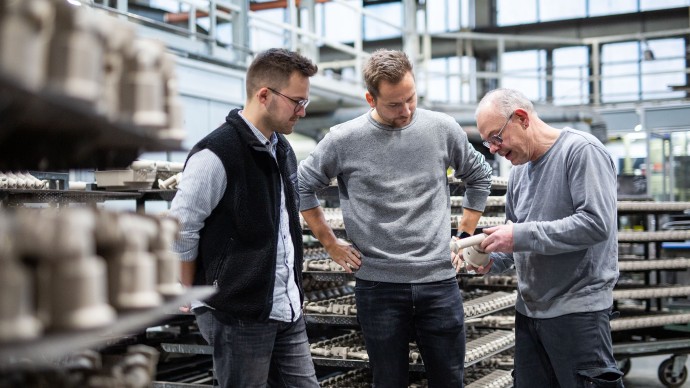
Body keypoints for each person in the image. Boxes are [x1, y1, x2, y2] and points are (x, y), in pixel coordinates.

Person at [298, 49, 493, 387]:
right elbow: (300, 185)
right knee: (388, 382)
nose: (405, 111)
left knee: (450, 380)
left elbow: (479, 175)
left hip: (438, 282)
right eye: (393, 104)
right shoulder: (343, 140)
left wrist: (464, 237)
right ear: (370, 98)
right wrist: (329, 243)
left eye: (411, 99)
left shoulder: (442, 128)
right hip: (379, 287)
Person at [169, 48, 319, 388]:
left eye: (304, 102)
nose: (302, 111)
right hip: (237, 315)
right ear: (264, 95)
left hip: (286, 308)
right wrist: (195, 295)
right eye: (297, 101)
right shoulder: (217, 153)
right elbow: (181, 229)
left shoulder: (282, 149)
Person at [471, 88, 624, 387]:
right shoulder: (518, 171)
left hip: (578, 313)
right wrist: (490, 259)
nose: (491, 148)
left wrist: (518, 235)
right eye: (488, 142)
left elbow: (595, 224)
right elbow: (517, 237)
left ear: (522, 118)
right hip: (529, 313)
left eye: (495, 137)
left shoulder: (581, 152)